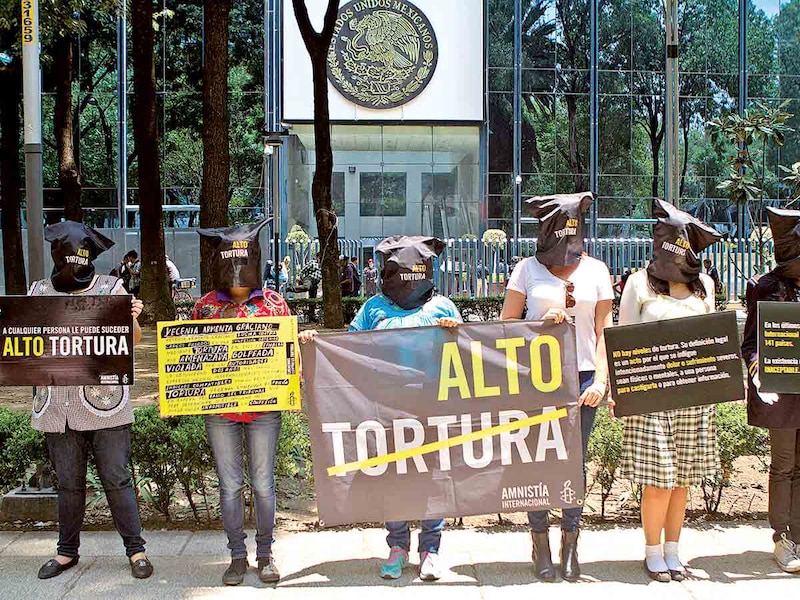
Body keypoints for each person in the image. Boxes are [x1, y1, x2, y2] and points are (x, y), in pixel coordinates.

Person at [300, 236, 462, 582]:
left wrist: (455, 333)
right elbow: (349, 349)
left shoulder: (444, 308)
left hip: (432, 407)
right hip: (384, 409)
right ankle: (398, 547)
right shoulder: (373, 308)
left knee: (431, 478)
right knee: (394, 478)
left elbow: (467, 356)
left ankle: (430, 550)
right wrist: (317, 346)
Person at [500, 191, 613, 582]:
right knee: (538, 458)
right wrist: (537, 326)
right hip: (537, 379)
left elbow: (603, 332)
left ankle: (570, 542)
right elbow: (506, 329)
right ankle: (540, 543)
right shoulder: (526, 270)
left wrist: (601, 379)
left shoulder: (597, 270)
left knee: (573, 461)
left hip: (582, 377)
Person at [31, 221, 151, 581]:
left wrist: (132, 319)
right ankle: (67, 551)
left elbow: (133, 341)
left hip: (105, 404)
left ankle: (137, 550)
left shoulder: (110, 287)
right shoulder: (38, 292)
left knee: (116, 478)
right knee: (68, 482)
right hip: (56, 406)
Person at [617, 199, 722, 583]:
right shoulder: (638, 283)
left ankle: (675, 549)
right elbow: (623, 339)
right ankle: (652, 551)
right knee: (658, 478)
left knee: (682, 479)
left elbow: (713, 341)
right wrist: (620, 393)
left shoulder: (705, 285)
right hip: (651, 396)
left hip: (693, 397)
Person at [192, 220, 286, 585]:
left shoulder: (275, 304)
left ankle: (265, 554)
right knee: (229, 485)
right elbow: (191, 357)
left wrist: (304, 339)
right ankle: (236, 556)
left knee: (263, 484)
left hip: (264, 409)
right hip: (220, 411)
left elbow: (289, 352)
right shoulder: (204, 307)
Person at [741, 207, 800, 573]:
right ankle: (783, 538)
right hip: (782, 391)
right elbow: (749, 344)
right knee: (783, 466)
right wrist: (757, 369)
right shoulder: (765, 287)